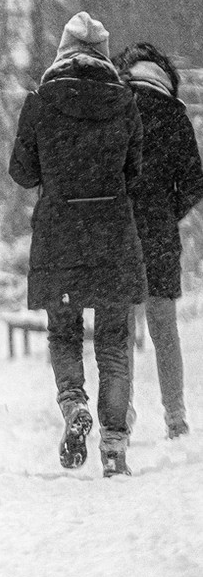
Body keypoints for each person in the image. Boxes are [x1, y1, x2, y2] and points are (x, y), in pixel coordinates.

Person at [9, 12, 147, 477]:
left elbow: (22, 172)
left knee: (63, 332)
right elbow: (134, 172)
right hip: (112, 232)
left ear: (63, 52)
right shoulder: (125, 102)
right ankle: (113, 444)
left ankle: (73, 406)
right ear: (105, 56)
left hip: (60, 233)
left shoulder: (41, 102)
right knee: (113, 340)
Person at [115, 42, 203, 439]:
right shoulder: (174, 114)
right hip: (159, 234)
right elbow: (194, 182)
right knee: (164, 328)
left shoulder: (116, 109)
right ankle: (176, 417)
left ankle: (122, 416)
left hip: (118, 230)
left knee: (121, 330)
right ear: (164, 74)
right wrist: (168, 210)